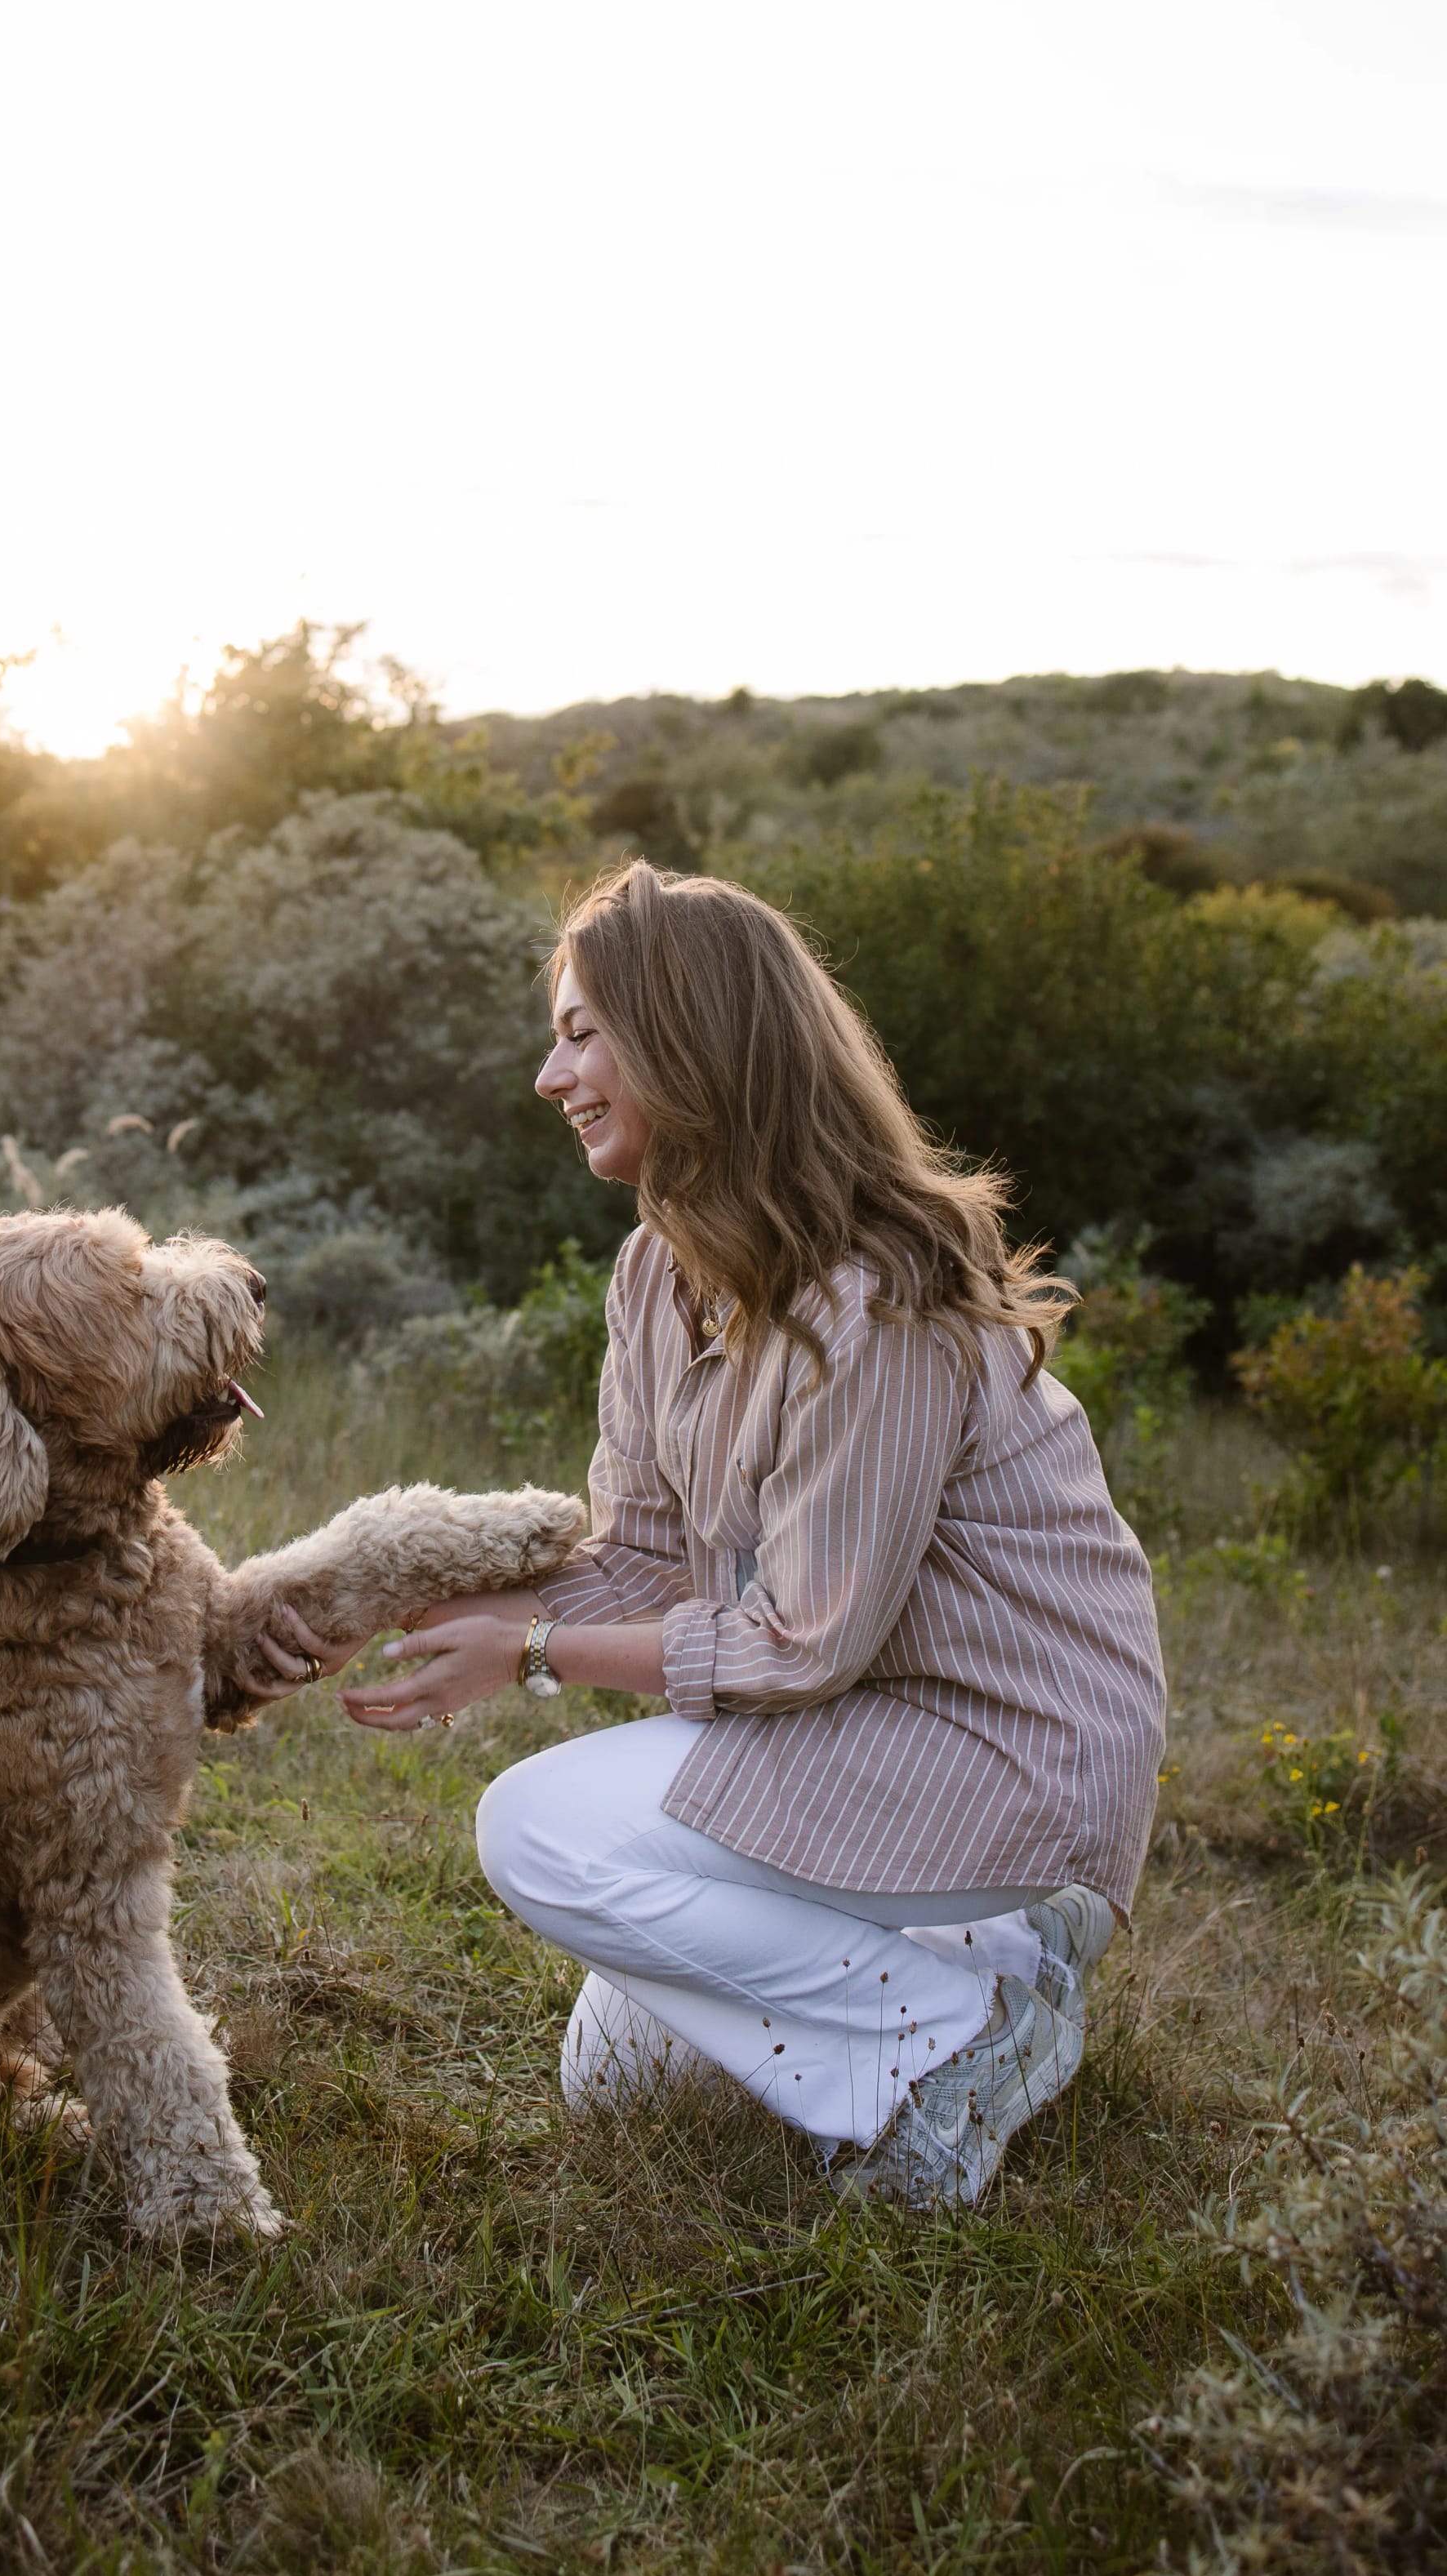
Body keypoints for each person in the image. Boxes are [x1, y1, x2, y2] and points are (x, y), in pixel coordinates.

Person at [247, 861, 1167, 2210]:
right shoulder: (654, 1271)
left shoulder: (877, 1298)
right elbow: (642, 1548)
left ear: (692, 1037)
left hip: (1005, 1754)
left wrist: (537, 1651)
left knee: (540, 1832)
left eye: (580, 1035)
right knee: (617, 2084)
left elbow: (803, 1645)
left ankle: (948, 2040)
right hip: (863, 1730)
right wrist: (380, 1601)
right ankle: (971, 1977)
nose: (551, 1079)